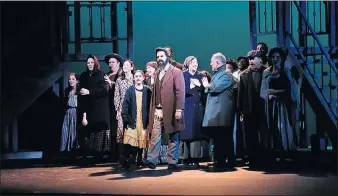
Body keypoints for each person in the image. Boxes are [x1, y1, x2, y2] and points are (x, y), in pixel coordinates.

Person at [144, 47, 185, 170]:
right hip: (158, 109)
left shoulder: (176, 72)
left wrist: (179, 109)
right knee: (155, 135)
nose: (159, 59)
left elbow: (180, 91)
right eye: (157, 57)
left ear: (167, 57)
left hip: (171, 109)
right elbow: (156, 92)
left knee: (173, 136)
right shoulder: (157, 72)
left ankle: (172, 161)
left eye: (161, 56)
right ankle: (151, 160)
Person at [260, 47, 296, 164]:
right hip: (270, 104)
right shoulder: (267, 72)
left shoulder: (285, 71)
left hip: (282, 105)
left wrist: (274, 92)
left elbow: (288, 89)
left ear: (281, 58)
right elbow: (264, 90)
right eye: (273, 57)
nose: (275, 59)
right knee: (271, 127)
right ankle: (273, 152)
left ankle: (284, 152)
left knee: (282, 127)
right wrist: (268, 95)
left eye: (277, 57)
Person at [202, 52, 237, 169]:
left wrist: (206, 85)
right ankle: (219, 160)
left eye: (212, 61)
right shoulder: (217, 75)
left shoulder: (226, 75)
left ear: (217, 62)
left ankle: (227, 161)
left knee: (224, 138)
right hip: (216, 114)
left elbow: (215, 88)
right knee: (218, 138)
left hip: (222, 113)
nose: (210, 64)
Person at [79, 55, 111, 163]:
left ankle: (100, 155)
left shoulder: (102, 74)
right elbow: (81, 91)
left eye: (92, 62)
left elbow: (104, 90)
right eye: (88, 63)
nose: (90, 64)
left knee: (100, 132)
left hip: (100, 108)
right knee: (90, 133)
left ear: (95, 63)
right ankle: (92, 155)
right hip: (89, 108)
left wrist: (90, 92)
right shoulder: (84, 75)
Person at [237, 50, 266, 168]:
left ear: (260, 59)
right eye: (249, 59)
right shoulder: (244, 74)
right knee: (249, 135)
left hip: (264, 108)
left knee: (264, 134)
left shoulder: (266, 71)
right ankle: (252, 159)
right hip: (249, 109)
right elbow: (240, 94)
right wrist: (240, 110)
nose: (251, 61)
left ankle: (264, 157)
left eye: (254, 58)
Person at [179, 56, 208, 167]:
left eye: (196, 62)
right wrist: (191, 85)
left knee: (196, 133)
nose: (195, 64)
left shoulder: (201, 75)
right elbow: (180, 90)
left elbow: (206, 89)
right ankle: (185, 158)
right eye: (192, 63)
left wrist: (202, 85)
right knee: (186, 132)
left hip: (198, 107)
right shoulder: (183, 75)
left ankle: (195, 158)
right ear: (187, 64)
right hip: (187, 107)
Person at [121, 70, 152, 170]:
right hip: (132, 120)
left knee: (141, 141)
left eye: (140, 76)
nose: (138, 78)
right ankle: (130, 160)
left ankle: (139, 159)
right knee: (131, 141)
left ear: (143, 78)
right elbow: (125, 105)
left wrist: (149, 119)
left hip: (143, 120)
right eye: (136, 76)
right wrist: (125, 118)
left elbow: (150, 106)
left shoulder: (147, 90)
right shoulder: (130, 90)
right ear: (134, 78)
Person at [114, 60, 135, 166]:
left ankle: (132, 156)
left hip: (133, 108)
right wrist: (117, 110)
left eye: (128, 65)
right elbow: (117, 96)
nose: (125, 67)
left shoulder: (135, 79)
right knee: (122, 132)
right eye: (124, 65)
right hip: (122, 109)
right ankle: (123, 157)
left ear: (131, 67)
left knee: (132, 131)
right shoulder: (119, 80)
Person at [104, 53, 123, 161]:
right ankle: (113, 152)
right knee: (111, 129)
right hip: (109, 105)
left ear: (118, 63)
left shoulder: (120, 74)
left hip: (118, 105)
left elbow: (123, 86)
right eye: (109, 62)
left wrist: (111, 83)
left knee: (118, 129)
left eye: (113, 62)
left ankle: (120, 153)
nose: (110, 64)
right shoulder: (108, 74)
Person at [60, 73, 80, 154]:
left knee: (74, 132)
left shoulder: (79, 91)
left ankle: (74, 150)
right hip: (68, 113)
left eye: (73, 79)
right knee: (66, 132)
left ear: (77, 81)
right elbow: (64, 102)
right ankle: (66, 151)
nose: (71, 81)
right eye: (69, 79)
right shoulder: (67, 90)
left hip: (76, 113)